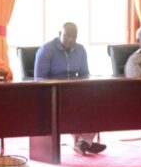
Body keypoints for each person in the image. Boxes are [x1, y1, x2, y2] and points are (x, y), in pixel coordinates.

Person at [35, 22, 106, 155]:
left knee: (99, 104)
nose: (71, 40)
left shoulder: (80, 50)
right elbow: (39, 80)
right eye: (67, 36)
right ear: (59, 34)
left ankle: (83, 141)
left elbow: (85, 74)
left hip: (75, 93)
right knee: (77, 108)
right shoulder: (46, 50)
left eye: (74, 37)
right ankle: (84, 143)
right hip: (53, 95)